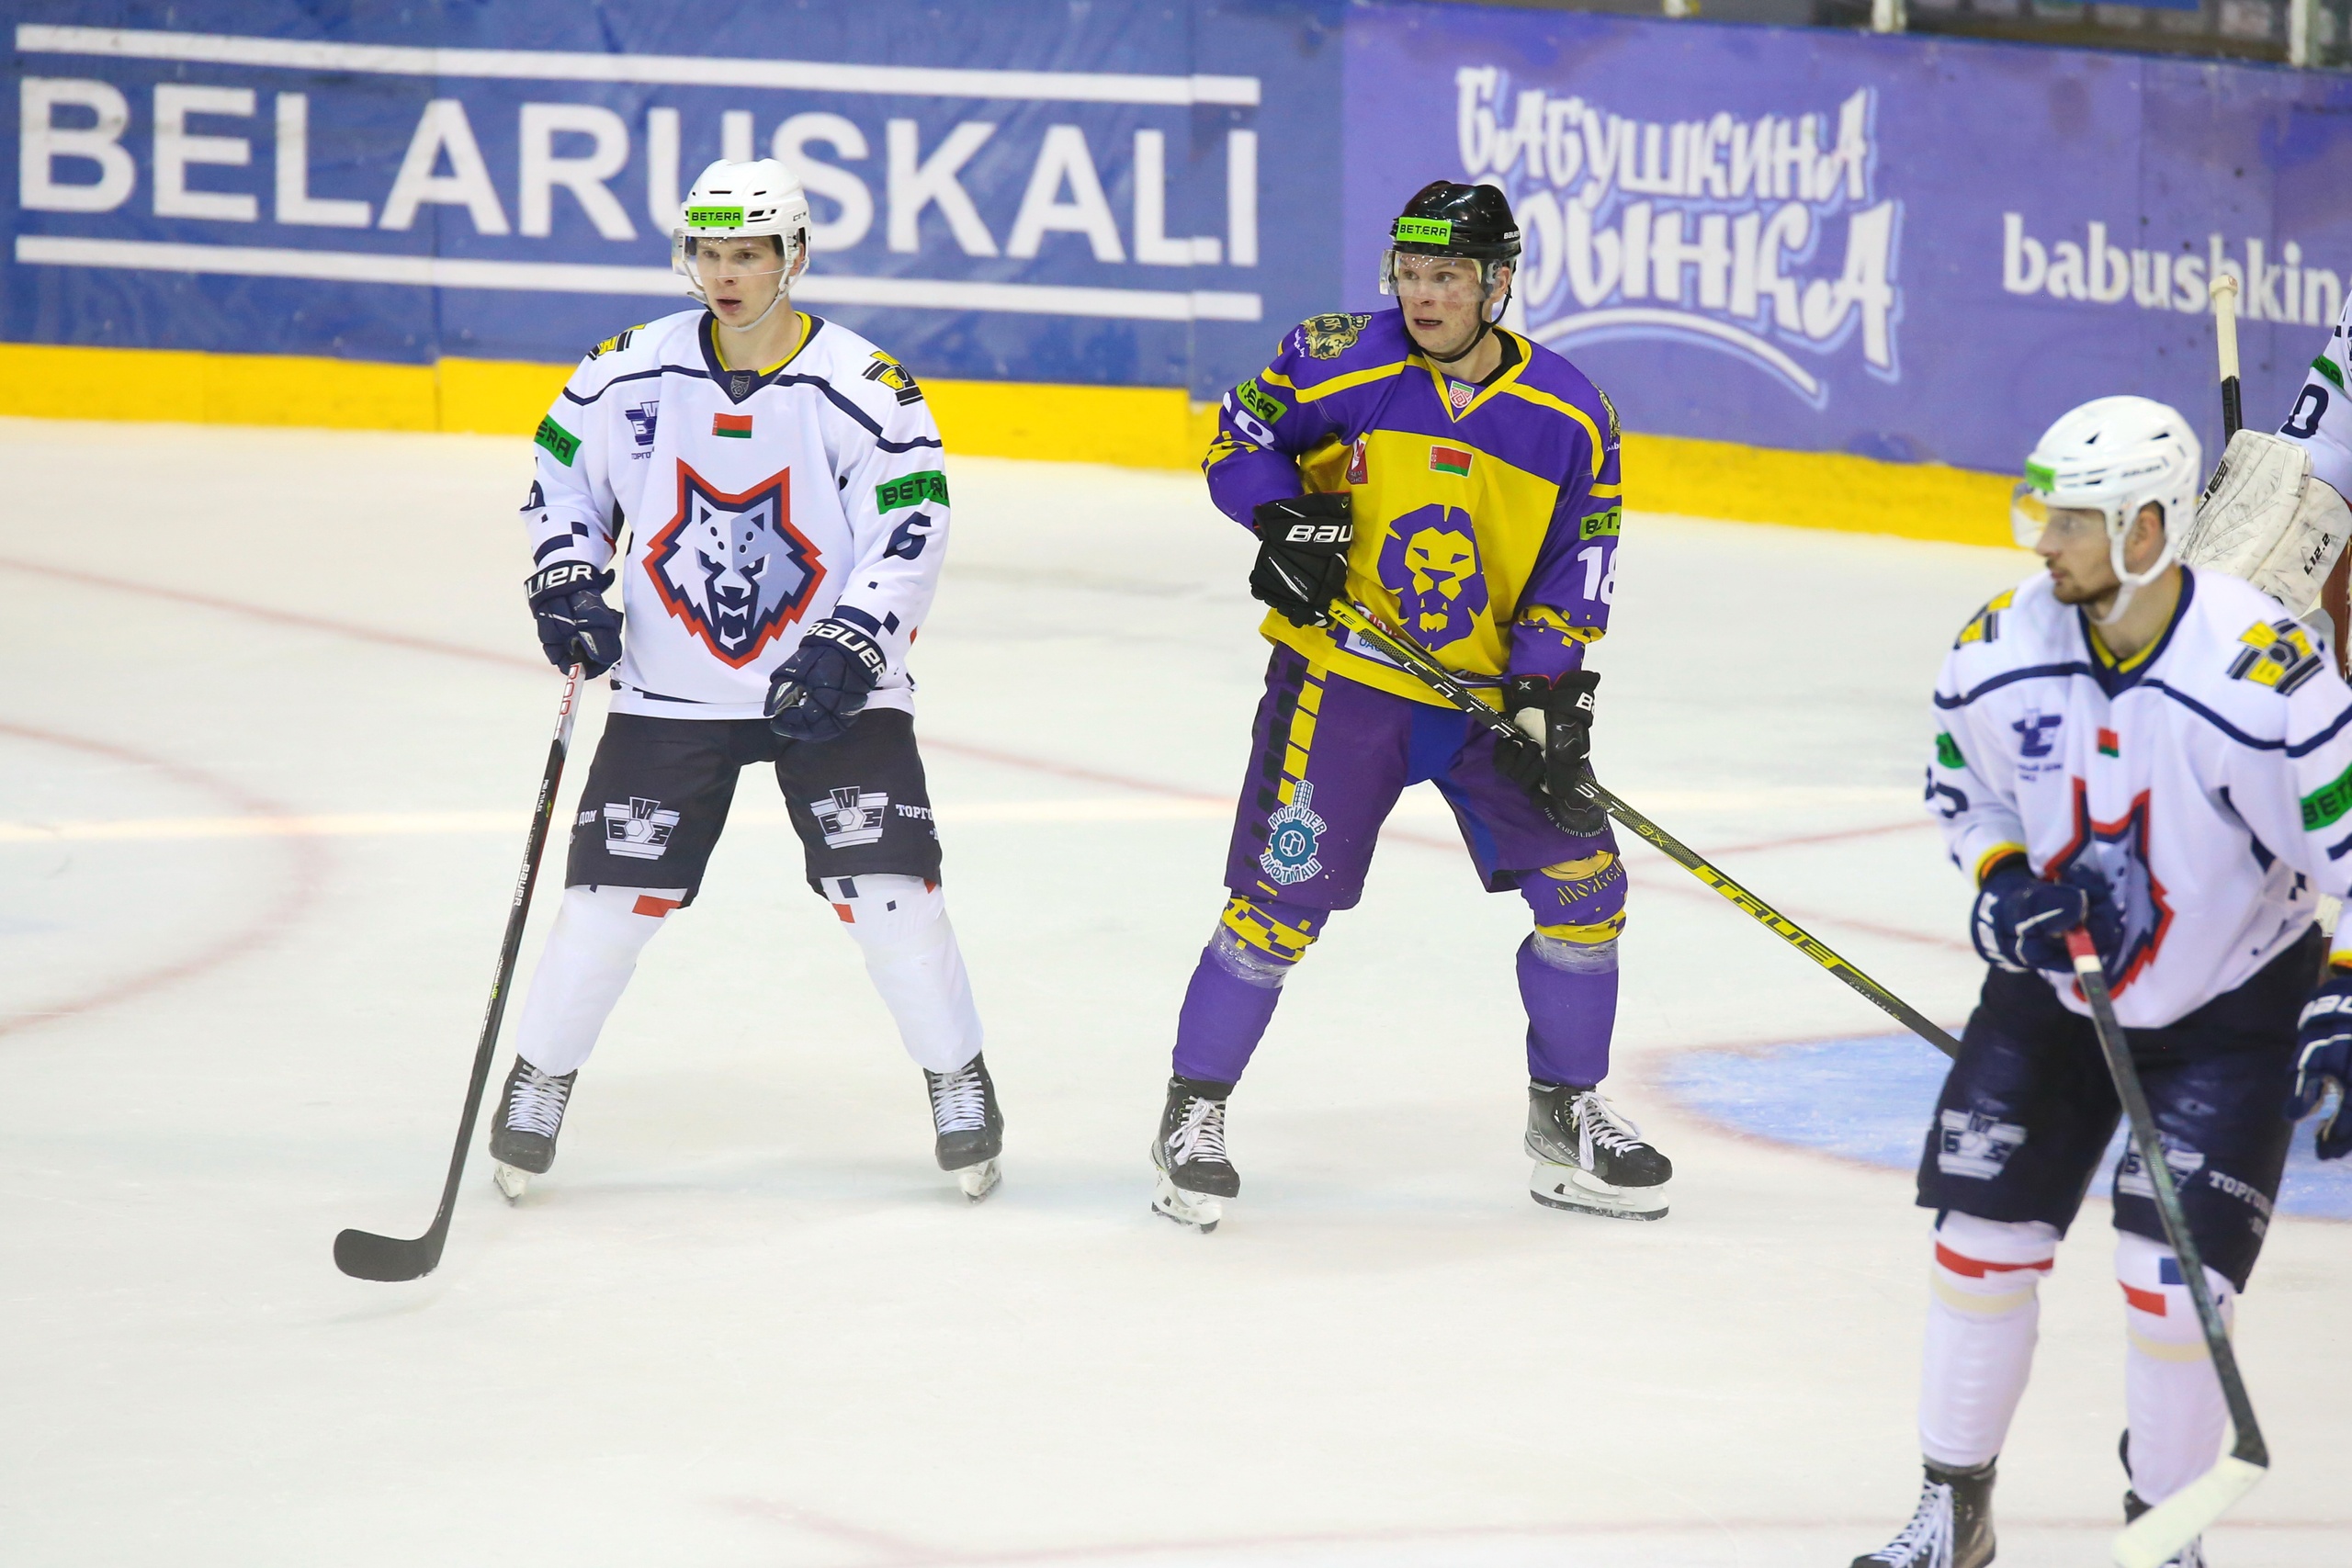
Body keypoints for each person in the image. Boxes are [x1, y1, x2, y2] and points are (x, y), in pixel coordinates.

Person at [1855, 395, 2352, 1568]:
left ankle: (2164, 1538)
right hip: (2054, 994)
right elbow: (1962, 789)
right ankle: (1952, 1514)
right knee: (1978, 1248)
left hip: (2232, 1005)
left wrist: (2342, 991)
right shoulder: (1997, 646)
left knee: (2174, 1291)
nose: (2046, 543)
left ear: (2148, 528)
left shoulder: (2265, 679)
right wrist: (2001, 881)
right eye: (2046, 514)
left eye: (2074, 521)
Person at [1148, 180, 1670, 1233]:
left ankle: (1564, 1114)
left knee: (1586, 889)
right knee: (1275, 907)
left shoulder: (1573, 414)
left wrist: (1544, 690)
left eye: (1448, 277)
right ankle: (1191, 1113)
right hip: (1344, 687)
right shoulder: (1339, 356)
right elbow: (1236, 442)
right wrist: (1285, 521)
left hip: (1484, 704)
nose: (1423, 296)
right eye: (1410, 273)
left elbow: (1580, 564)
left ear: (1498, 283)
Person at [491, 159, 1001, 1203]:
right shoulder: (628, 368)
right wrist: (568, 575)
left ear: (792, 256)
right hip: (673, 688)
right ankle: (537, 1081)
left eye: (748, 254)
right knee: (605, 903)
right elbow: (560, 477)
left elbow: (912, 523)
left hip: (833, 687)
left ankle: (959, 1081)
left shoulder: (864, 385)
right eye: (709, 253)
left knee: (891, 894)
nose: (725, 275)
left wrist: (853, 643)